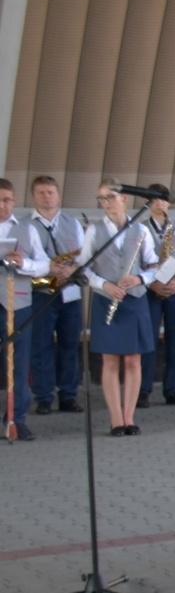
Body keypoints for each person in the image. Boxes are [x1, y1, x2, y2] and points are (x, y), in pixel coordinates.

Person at [82, 181, 158, 436]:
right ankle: (116, 419)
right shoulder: (94, 231)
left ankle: (130, 416)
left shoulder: (141, 230)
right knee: (110, 361)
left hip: (134, 300)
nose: (107, 203)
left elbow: (155, 265)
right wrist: (104, 284)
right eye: (102, 199)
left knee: (134, 361)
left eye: (111, 197)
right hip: (107, 299)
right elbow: (83, 268)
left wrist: (140, 279)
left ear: (124, 198)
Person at [28, 176, 85, 416]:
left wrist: (71, 269)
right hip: (41, 293)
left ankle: (68, 396)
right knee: (40, 346)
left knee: (70, 345)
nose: (46, 196)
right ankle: (43, 397)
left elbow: (84, 257)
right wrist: (50, 269)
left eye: (50, 192)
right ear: (33, 197)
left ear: (58, 195)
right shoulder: (26, 226)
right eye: (41, 192)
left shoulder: (73, 223)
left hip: (70, 293)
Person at [137, 184, 175, 407]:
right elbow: (137, 262)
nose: (160, 203)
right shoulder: (140, 228)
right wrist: (152, 285)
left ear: (169, 203)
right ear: (148, 203)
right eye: (155, 199)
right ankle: (143, 389)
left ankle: (173, 389)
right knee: (147, 340)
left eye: (163, 199)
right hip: (150, 289)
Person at [1, 178, 48, 441]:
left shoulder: (26, 229)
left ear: (15, 201)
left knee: (19, 362)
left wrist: (24, 263)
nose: (2, 205)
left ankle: (15, 418)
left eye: (7, 200)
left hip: (17, 302)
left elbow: (44, 265)